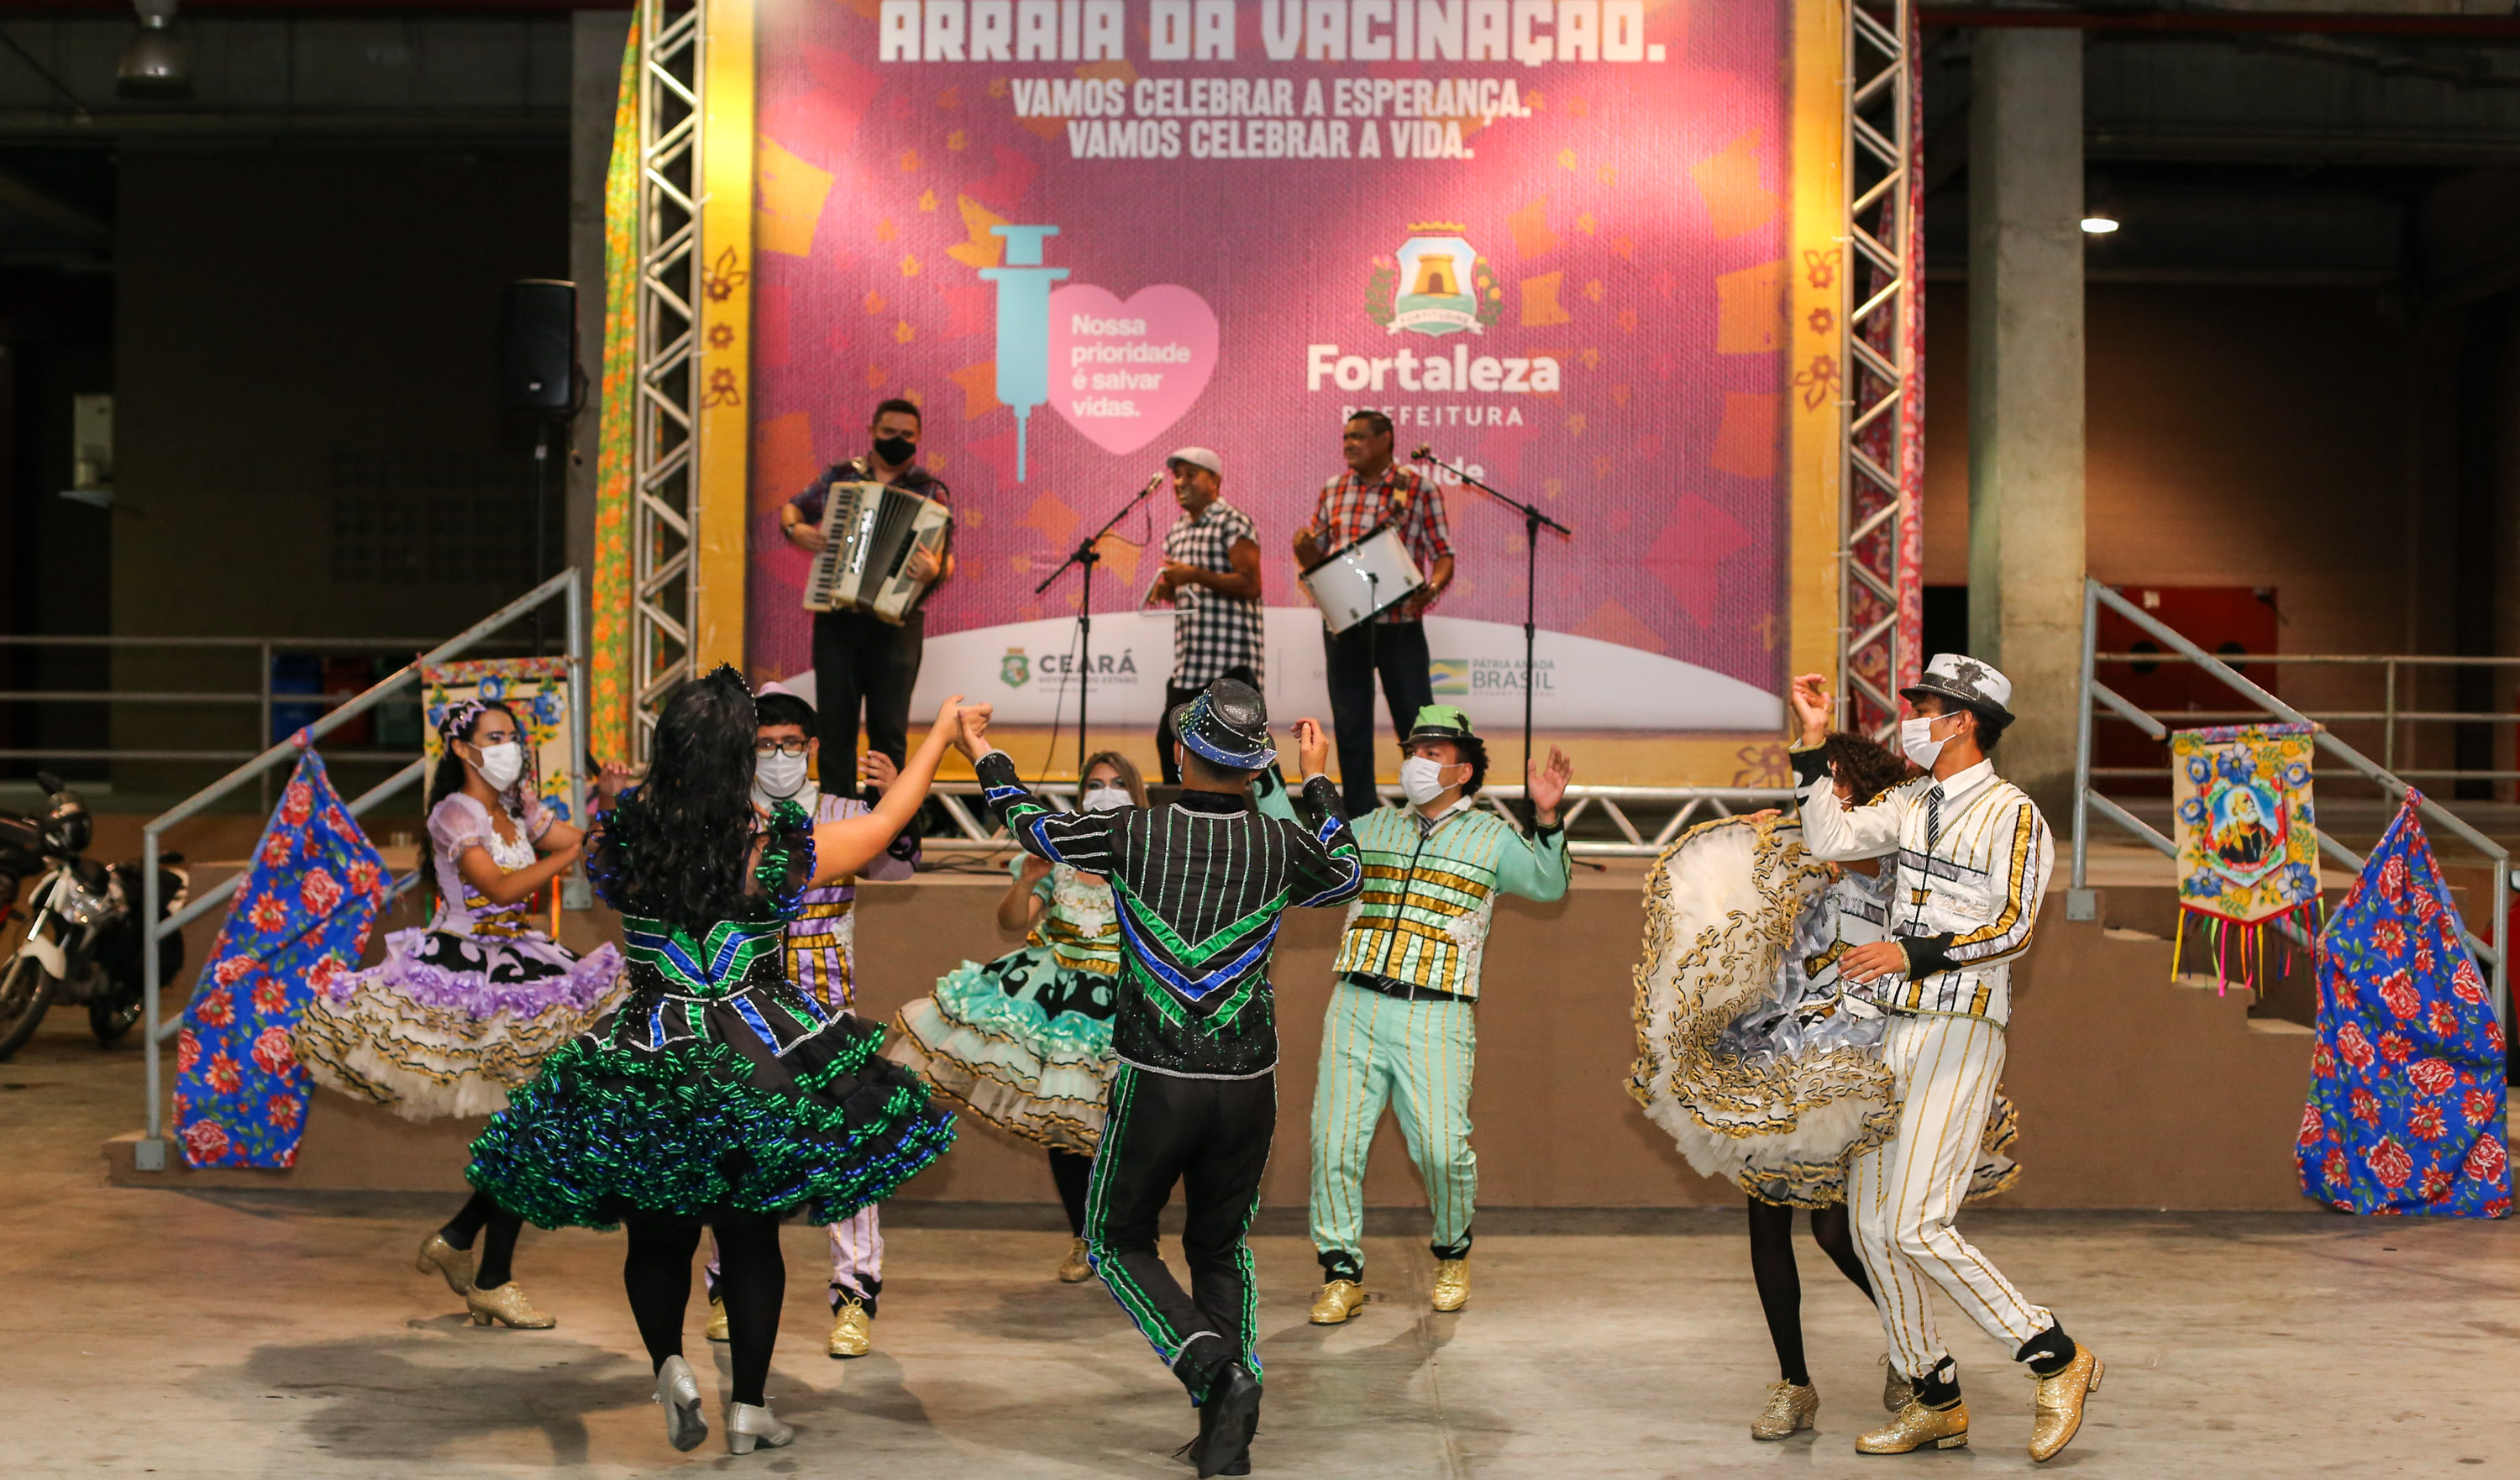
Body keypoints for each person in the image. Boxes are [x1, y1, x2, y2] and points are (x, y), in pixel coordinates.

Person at [465, 670, 972, 1457]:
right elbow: (885, 827)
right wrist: (938, 734)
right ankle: (750, 1411)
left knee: (656, 1237)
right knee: (748, 1238)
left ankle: (669, 1366)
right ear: (740, 756)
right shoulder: (769, 849)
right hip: (756, 1051)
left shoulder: (621, 841)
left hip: (648, 1049)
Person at [960, 678, 1363, 1479]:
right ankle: (1228, 1435)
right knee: (1220, 1246)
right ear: (1255, 771)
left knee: (1114, 1240)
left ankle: (1211, 1365)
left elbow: (1030, 824)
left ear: (1181, 752)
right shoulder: (1282, 845)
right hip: (1250, 1084)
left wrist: (985, 752)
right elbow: (1350, 875)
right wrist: (1317, 780)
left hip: (1156, 1080)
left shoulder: (1131, 832)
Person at [1628, 732, 2022, 1442]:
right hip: (1783, 1041)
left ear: (1867, 796)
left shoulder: (1899, 861)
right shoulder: (1813, 852)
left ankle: (1915, 1358)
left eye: (1840, 785)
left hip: (1861, 1051)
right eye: (1823, 784)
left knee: (1842, 1228)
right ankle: (1794, 1384)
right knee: (1766, 1215)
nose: (1827, 797)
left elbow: (1870, 877)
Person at [1787, 658, 2101, 1462]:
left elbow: (2016, 928)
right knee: (1867, 1223)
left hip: (1959, 1026)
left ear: (1962, 720)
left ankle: (2057, 1357)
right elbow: (1829, 834)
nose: (1910, 719)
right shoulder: (1914, 800)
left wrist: (1911, 953)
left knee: (1918, 1223)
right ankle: (1935, 1396)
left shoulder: (2014, 814)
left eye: (1922, 706)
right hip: (1894, 1027)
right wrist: (1814, 743)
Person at [294, 699, 627, 1330]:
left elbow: (584, 843)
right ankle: (487, 1272)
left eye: (514, 737)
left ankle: (463, 1243)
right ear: (462, 749)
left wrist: (606, 803)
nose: (509, 747)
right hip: (468, 975)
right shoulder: (455, 813)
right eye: (495, 737)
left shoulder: (516, 809)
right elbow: (501, 888)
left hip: (524, 966)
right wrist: (566, 854)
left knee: (527, 1125)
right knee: (525, 1126)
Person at [1305, 707, 1570, 1324]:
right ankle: (1341, 1274)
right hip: (1355, 1002)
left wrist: (1548, 817)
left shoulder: (1493, 838)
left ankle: (1453, 1252)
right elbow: (1299, 843)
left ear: (1464, 770)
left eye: (1433, 753)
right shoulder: (1371, 827)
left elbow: (1548, 887)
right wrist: (1288, 776)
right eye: (1414, 750)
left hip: (1437, 1012)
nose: (1418, 762)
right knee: (1333, 1143)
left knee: (1442, 1150)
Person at [697, 683, 915, 1360]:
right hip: (744, 1009)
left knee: (847, 1146)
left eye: (791, 744)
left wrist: (898, 802)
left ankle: (855, 1298)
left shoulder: (847, 810)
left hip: (827, 1010)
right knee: (735, 1145)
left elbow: (900, 869)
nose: (780, 756)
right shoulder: (729, 815)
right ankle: (727, 1287)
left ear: (814, 748)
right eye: (765, 746)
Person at [887, 750, 1142, 1282]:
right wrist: (1026, 881)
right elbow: (1012, 920)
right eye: (1095, 783)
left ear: (1137, 794)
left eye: (1118, 783)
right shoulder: (1059, 856)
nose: (1106, 791)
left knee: (1129, 1130)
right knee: (1067, 1127)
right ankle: (1083, 1239)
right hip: (1058, 1006)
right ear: (1079, 795)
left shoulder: (1147, 860)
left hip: (1125, 1006)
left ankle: (1125, 1240)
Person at [780, 396, 953, 780]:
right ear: (872, 430)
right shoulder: (841, 477)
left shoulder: (930, 489)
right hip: (837, 619)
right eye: (889, 432)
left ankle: (885, 827)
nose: (897, 439)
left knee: (888, 734)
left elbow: (947, 559)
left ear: (919, 437)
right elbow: (792, 509)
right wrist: (797, 530)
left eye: (906, 435)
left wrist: (933, 569)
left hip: (897, 626)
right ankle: (840, 826)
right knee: (835, 728)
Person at [1293, 411, 1455, 816]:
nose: (1349, 445)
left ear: (1386, 440)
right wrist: (1304, 548)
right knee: (1351, 730)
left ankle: (1433, 813)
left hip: (1400, 627)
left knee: (1419, 728)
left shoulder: (1418, 489)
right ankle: (1362, 822)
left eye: (1359, 437)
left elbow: (1443, 554)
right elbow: (1315, 556)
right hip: (1346, 629)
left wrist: (1431, 589)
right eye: (1346, 437)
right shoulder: (1334, 489)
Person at [1146, 446, 1265, 785]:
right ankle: (1183, 825)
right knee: (1172, 744)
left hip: (1231, 661)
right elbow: (1180, 584)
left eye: (1190, 474)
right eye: (1177, 475)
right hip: (1191, 661)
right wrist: (1166, 588)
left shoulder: (1233, 522)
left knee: (1242, 752)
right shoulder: (1178, 529)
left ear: (1214, 480)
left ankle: (1254, 828)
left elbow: (1250, 584)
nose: (1181, 482)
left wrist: (1194, 574)